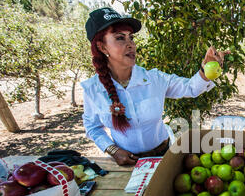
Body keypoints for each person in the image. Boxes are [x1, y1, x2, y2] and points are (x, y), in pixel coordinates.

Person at [81, 8, 230, 166]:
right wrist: (112, 149)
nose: (130, 44)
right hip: (126, 162)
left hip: (162, 156)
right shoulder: (92, 89)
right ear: (102, 47)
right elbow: (92, 127)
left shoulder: (154, 79)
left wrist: (206, 70)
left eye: (131, 38)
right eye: (120, 38)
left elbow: (190, 88)